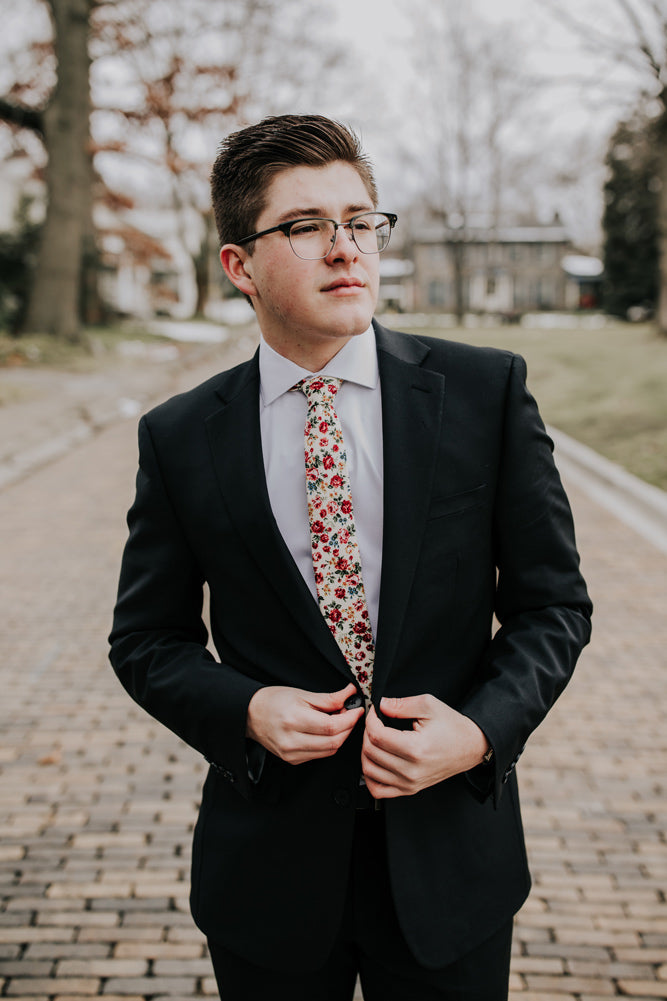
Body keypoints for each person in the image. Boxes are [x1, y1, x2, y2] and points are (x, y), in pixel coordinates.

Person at [109, 114, 592, 1001]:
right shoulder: (180, 436)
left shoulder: (484, 394)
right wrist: (245, 707)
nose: (344, 248)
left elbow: (552, 606)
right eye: (304, 226)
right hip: (269, 877)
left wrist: (480, 730)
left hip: (451, 864)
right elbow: (146, 639)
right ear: (239, 265)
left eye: (360, 220)